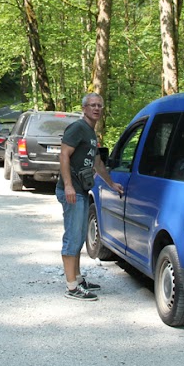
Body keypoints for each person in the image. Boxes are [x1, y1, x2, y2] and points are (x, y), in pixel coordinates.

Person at [56, 92, 124, 301]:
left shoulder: (91, 133)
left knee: (78, 237)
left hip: (81, 191)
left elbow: (97, 162)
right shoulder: (77, 128)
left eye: (99, 106)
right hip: (72, 191)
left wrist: (111, 183)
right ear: (84, 108)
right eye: (92, 105)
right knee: (73, 237)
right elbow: (63, 155)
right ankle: (71, 288)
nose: (96, 108)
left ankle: (77, 279)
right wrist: (68, 186)